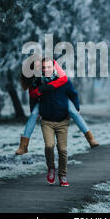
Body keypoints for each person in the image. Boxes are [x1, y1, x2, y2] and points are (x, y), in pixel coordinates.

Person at [15, 58, 99, 155]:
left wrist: (77, 107)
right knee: (33, 114)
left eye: (46, 67)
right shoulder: (37, 80)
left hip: (63, 100)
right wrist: (33, 110)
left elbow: (73, 93)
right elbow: (33, 97)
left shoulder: (60, 76)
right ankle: (23, 146)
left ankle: (91, 139)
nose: (44, 69)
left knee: (74, 112)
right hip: (45, 103)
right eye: (42, 68)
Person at [33, 57, 82, 186]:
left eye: (49, 67)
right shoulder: (39, 81)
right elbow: (32, 96)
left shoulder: (63, 81)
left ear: (54, 67)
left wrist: (76, 109)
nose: (46, 70)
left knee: (62, 150)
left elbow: (73, 94)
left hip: (62, 121)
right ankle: (51, 168)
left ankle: (63, 176)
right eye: (44, 68)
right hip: (47, 121)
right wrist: (34, 112)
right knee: (49, 146)